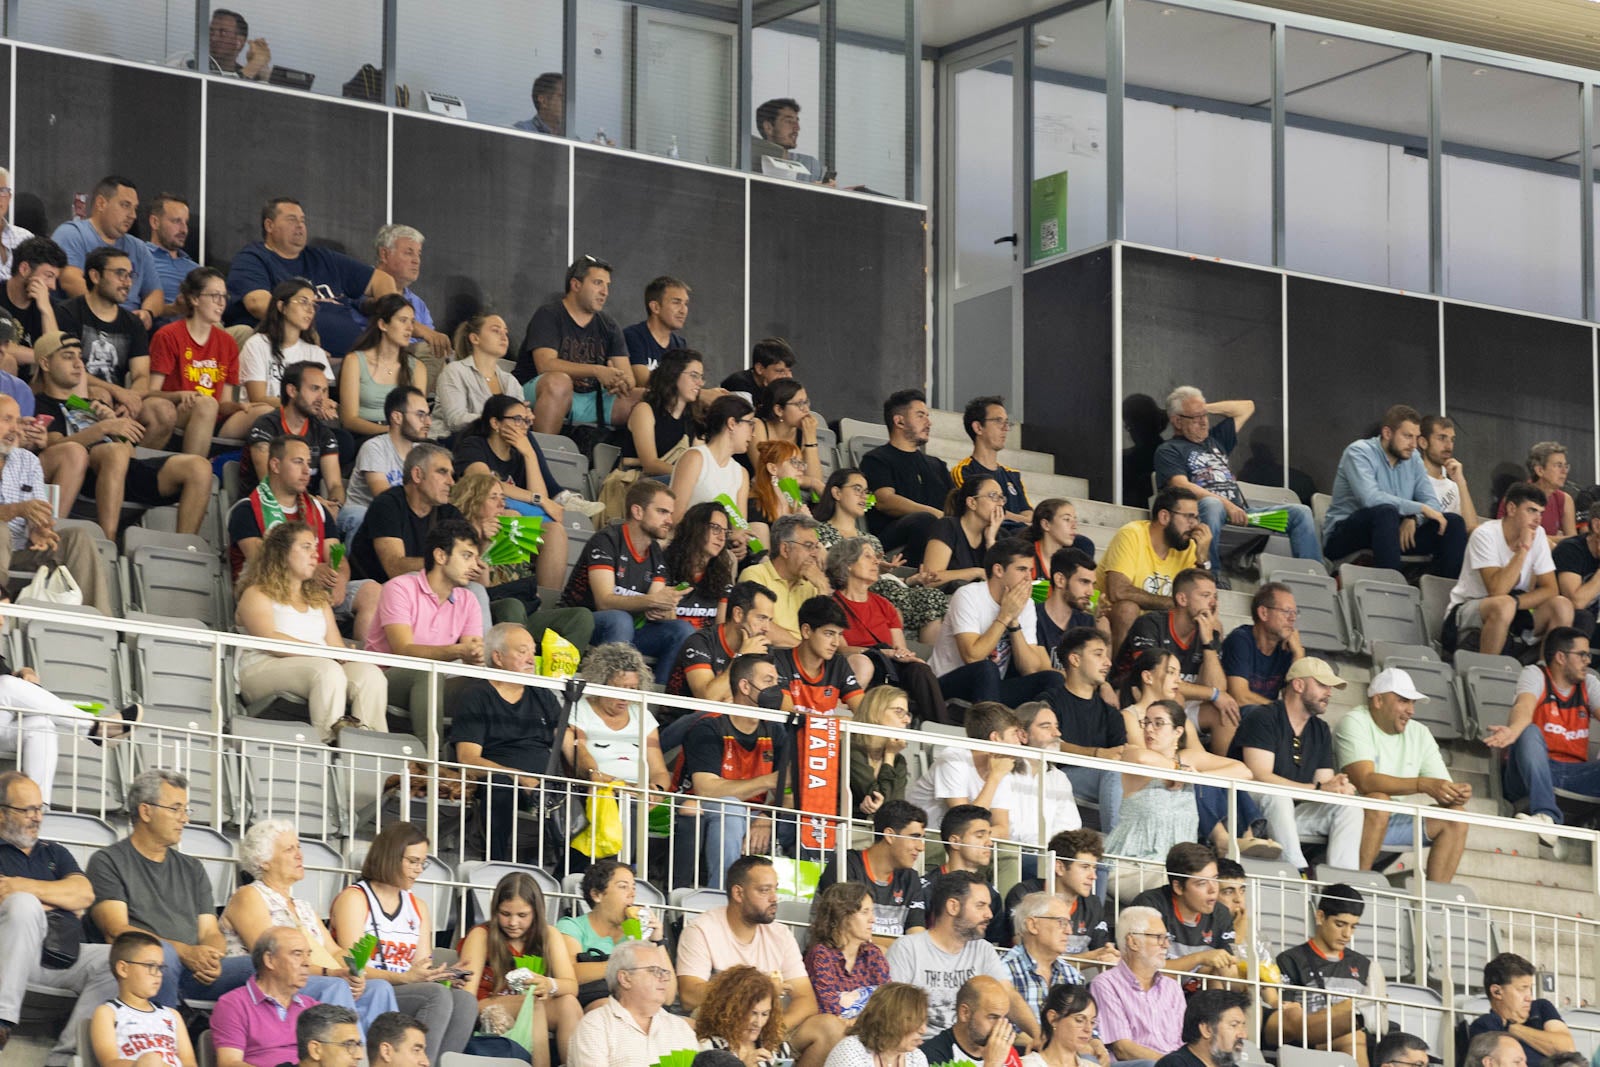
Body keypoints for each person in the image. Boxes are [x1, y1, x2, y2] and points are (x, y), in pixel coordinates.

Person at [87, 770, 255, 1005]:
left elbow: (209, 932)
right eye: (176, 809)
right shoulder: (107, 861)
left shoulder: (192, 868)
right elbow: (117, 931)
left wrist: (211, 958)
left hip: (195, 971)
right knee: (160, 954)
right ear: (146, 811)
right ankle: (162, 1034)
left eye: (186, 810)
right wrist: (184, 952)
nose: (184, 818)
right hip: (145, 968)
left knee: (265, 964)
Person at [32, 332, 213, 541]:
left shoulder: (86, 404)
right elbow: (53, 444)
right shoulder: (41, 402)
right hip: (86, 475)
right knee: (114, 453)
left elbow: (129, 452)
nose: (78, 364)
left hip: (122, 472)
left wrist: (113, 426)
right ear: (45, 363)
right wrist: (104, 428)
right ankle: (109, 539)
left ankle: (185, 547)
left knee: (199, 467)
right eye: (67, 356)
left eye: (80, 356)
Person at [220, 821, 398, 1028]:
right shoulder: (249, 895)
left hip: (321, 978)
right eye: (289, 849)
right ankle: (354, 1059)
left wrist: (353, 971)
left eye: (298, 847)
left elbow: (334, 952)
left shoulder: (303, 907)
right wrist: (332, 974)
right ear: (263, 861)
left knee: (379, 989)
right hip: (276, 983)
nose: (299, 855)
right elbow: (275, 960)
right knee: (336, 988)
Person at [677, 855, 847, 1067]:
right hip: (722, 1033)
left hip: (770, 1029)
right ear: (738, 893)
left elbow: (806, 998)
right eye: (765, 890)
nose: (774, 898)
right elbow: (689, 994)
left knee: (829, 1027)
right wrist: (754, 991)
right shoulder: (702, 929)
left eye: (775, 889)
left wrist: (769, 1029)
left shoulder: (781, 934)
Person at [328, 823, 476, 1060]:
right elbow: (352, 968)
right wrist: (404, 978)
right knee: (435, 996)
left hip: (405, 987)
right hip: (368, 991)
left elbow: (420, 967)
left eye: (422, 863)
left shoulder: (418, 907)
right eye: (413, 861)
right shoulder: (354, 898)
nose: (419, 870)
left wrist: (443, 975)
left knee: (465, 1001)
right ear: (390, 857)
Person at [0, 771, 120, 1059]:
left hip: (57, 955)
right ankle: (2, 1020)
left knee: (117, 960)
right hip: (6, 954)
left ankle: (67, 1059)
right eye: (27, 809)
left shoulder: (54, 853)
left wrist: (20, 886)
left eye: (40, 808)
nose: (37, 817)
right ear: (2, 814)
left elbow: (84, 894)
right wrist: (58, 900)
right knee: (24, 907)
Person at [235, 522, 387, 739]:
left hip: (317, 665)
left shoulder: (318, 599)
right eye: (306, 547)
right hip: (260, 668)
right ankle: (326, 744)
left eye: (315, 548)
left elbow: (335, 646)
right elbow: (270, 640)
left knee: (369, 674)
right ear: (282, 552)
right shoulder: (256, 593)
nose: (315, 555)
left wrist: (347, 655)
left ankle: (370, 749)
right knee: (327, 670)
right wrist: (325, 653)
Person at [1155, 386, 1321, 571]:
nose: (1203, 423)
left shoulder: (1216, 440)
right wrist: (1226, 505)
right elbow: (1181, 485)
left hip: (1244, 515)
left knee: (1300, 513)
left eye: (1205, 416)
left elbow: (1247, 407)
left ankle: (1313, 576)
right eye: (1195, 418)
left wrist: (1203, 408)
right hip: (1203, 515)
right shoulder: (1169, 450)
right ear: (1177, 421)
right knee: (1212, 504)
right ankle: (1211, 575)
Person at [1334, 667, 1472, 881]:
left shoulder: (1419, 732)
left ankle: (1434, 903)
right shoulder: (1354, 721)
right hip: (1351, 817)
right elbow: (1365, 781)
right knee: (1379, 801)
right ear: (1378, 701)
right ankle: (1357, 887)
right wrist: (1422, 784)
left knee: (1456, 817)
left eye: (1412, 703)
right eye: (1403, 701)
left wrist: (1455, 793)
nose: (1411, 710)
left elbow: (1440, 785)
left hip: (1391, 818)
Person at [1232, 657, 1361, 876]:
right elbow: (1259, 775)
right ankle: (1297, 871)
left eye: (1330, 687)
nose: (1329, 692)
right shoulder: (1263, 717)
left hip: (1289, 815)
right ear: (1298, 685)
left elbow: (1323, 783)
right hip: (1249, 813)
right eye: (1322, 685)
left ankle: (1342, 885)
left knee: (1349, 807)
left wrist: (1338, 788)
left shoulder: (1320, 729)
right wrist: (1319, 789)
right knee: (1277, 795)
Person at [226, 197, 398, 358]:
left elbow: (382, 280)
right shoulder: (253, 258)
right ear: (269, 226)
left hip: (356, 359)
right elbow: (257, 303)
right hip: (294, 359)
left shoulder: (323, 258)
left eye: (302, 220)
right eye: (292, 220)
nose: (300, 226)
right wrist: (303, 339)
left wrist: (390, 324)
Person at [445, 622, 561, 859]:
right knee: (501, 786)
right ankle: (495, 864)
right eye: (522, 651)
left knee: (594, 796)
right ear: (497, 657)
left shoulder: (544, 695)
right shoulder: (476, 696)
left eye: (532, 650)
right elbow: (468, 759)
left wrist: (593, 775)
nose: (532, 658)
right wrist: (519, 777)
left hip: (547, 783)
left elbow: (567, 744)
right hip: (501, 781)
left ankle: (569, 878)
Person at [560, 480, 693, 682]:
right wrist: (652, 602)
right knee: (619, 619)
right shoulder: (606, 540)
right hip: (585, 622)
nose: (669, 520)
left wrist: (664, 609)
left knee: (682, 630)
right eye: (662, 512)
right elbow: (604, 601)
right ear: (638, 512)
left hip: (628, 629)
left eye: (670, 514)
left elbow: (656, 601)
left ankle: (655, 704)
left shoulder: (655, 552)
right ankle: (609, 693)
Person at [1482, 627, 1600, 855]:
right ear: (1561, 657)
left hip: (1574, 774)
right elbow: (1524, 707)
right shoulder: (1535, 674)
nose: (1587, 661)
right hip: (1531, 771)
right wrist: (1513, 730)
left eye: (1588, 655)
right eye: (1582, 655)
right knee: (1529, 731)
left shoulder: (1589, 683)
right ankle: (1547, 816)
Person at [675, 656, 791, 888]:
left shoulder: (777, 730)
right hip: (702, 807)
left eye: (777, 682)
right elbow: (707, 788)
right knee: (731, 807)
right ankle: (724, 894)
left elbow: (789, 791)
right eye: (768, 681)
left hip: (755, 814)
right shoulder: (709, 727)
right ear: (745, 686)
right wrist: (769, 781)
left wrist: (767, 818)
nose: (775, 689)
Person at [886, 871, 1039, 1043]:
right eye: (980, 906)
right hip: (920, 1049)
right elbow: (892, 1013)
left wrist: (1038, 1036)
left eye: (988, 906)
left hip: (972, 1049)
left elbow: (1008, 995)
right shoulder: (907, 949)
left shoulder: (984, 950)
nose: (989, 914)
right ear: (953, 907)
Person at [366, 519, 486, 730]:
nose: (474, 566)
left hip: (436, 681)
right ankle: (430, 759)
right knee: (427, 671)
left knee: (489, 683)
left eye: (476, 558)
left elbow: (472, 657)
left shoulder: (469, 600)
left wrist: (477, 654)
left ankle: (477, 756)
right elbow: (404, 651)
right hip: (384, 680)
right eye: (467, 556)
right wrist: (459, 650)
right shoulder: (399, 588)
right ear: (440, 556)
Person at [0, 393, 114, 613]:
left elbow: (39, 512)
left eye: (17, 420)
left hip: (21, 552)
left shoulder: (28, 460)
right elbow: (19, 512)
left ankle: (100, 625)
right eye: (6, 420)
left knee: (77, 538)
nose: (15, 428)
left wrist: (39, 528)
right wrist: (17, 510)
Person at [53, 246, 175, 448]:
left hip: (117, 401)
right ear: (95, 275)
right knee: (101, 395)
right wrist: (118, 392)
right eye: (120, 274)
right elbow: (67, 370)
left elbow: (141, 376)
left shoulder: (133, 323)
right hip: (75, 397)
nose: (127, 282)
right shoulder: (68, 313)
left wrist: (131, 399)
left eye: (130, 275)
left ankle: (133, 469)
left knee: (164, 411)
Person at [1323, 404, 1467, 575]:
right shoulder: (1359, 452)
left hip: (1392, 534)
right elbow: (1370, 499)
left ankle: (1449, 596)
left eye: (1416, 437)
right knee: (1385, 512)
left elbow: (1432, 503)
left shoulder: (1413, 458)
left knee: (1454, 523)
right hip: (1345, 535)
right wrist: (1419, 508)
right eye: (1407, 436)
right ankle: (1392, 590)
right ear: (1387, 433)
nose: (1414, 444)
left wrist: (1414, 517)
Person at [455, 871, 580, 1066]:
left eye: (522, 915)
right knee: (533, 1004)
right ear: (495, 911)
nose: (513, 923)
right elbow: (467, 998)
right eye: (505, 914)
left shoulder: (549, 934)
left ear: (536, 913)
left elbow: (571, 986)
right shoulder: (481, 935)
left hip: (528, 1001)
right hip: (484, 1005)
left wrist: (549, 984)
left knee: (568, 1004)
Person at [1114, 567, 1241, 756]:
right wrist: (1214, 694)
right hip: (1135, 695)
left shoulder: (1207, 632)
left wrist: (1208, 643)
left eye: (1215, 596)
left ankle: (1218, 783)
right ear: (1182, 599)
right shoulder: (1150, 624)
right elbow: (1156, 680)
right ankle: (1175, 766)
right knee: (1176, 698)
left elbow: (1217, 687)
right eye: (1206, 595)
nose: (1213, 602)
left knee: (1227, 712)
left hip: (1180, 700)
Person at [1109, 700, 1254, 864]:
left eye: (1158, 723)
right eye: (1146, 722)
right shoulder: (1132, 752)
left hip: (1179, 866)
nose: (1149, 728)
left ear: (1177, 732)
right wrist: (1179, 771)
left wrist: (1198, 776)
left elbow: (1243, 771)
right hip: (1133, 862)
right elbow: (1142, 758)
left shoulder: (1188, 758)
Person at [149, 266, 274, 455]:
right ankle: (195, 466)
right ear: (194, 298)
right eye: (215, 296)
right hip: (178, 412)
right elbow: (151, 393)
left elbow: (223, 402)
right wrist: (180, 395)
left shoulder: (228, 343)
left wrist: (237, 406)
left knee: (265, 411)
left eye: (224, 297)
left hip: (215, 415)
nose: (221, 303)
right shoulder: (168, 335)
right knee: (206, 404)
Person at [816, 467, 947, 644]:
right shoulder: (819, 532)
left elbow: (877, 578)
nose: (863, 496)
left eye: (866, 492)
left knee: (933, 596)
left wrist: (909, 580)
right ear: (837, 492)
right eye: (857, 489)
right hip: (849, 592)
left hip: (879, 589)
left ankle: (928, 661)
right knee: (889, 602)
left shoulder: (871, 540)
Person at [826, 536, 948, 722]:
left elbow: (899, 649)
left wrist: (905, 655)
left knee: (919, 670)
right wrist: (882, 652)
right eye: (867, 556)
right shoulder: (832, 605)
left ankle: (942, 734)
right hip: (857, 666)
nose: (876, 561)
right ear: (848, 564)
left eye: (875, 556)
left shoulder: (884, 605)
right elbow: (840, 649)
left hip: (887, 667)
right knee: (866, 664)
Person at [929, 539, 1064, 706]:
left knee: (1052, 679)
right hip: (946, 682)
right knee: (987, 668)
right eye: (1021, 569)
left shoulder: (1026, 604)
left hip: (991, 687)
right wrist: (1004, 616)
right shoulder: (968, 595)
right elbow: (972, 657)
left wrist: (1014, 622)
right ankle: (989, 730)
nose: (1029, 578)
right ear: (999, 570)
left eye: (1031, 570)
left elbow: (1030, 669)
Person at [1446, 482, 1573, 658]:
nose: (1537, 519)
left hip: (1514, 607)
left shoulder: (1539, 534)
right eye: (1531, 510)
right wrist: (1523, 550)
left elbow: (1551, 589)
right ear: (1512, 508)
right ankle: (1488, 673)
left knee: (1562, 605)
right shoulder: (1484, 535)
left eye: (1540, 513)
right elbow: (1497, 591)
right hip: (1469, 610)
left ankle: (1544, 673)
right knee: (1503, 604)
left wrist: (1517, 603)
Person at [450, 394, 569, 582]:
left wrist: (530, 454)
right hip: (478, 522)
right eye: (517, 419)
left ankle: (547, 602)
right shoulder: (474, 445)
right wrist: (540, 500)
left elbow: (539, 508)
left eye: (526, 420)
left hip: (511, 525)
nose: (524, 425)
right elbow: (484, 483)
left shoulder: (519, 455)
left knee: (555, 532)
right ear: (495, 423)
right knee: (511, 512)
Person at [518, 255, 640, 434]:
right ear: (576, 285)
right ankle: (543, 457)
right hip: (540, 393)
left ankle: (640, 461)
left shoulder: (609, 325)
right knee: (559, 382)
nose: (605, 292)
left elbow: (629, 376)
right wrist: (597, 371)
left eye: (607, 285)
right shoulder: (549, 315)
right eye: (598, 283)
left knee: (645, 398)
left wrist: (620, 381)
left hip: (590, 400)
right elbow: (546, 365)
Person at [211, 927, 363, 1067]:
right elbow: (229, 1063)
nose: (307, 962)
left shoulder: (311, 1007)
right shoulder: (234, 1004)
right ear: (269, 960)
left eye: (308, 955)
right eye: (297, 954)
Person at [566, 644, 673, 844]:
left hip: (641, 795)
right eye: (619, 688)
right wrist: (624, 788)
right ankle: (625, 870)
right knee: (628, 806)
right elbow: (585, 766)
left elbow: (659, 770)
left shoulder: (642, 716)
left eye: (632, 689)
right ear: (601, 683)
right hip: (602, 793)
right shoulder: (578, 710)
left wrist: (655, 791)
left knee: (690, 813)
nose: (626, 697)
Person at [1267, 885, 1378, 1067]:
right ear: (1320, 917)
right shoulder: (1291, 960)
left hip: (1359, 1039)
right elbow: (1285, 1013)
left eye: (1353, 926)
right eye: (1340, 924)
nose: (1347, 934)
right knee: (1351, 1035)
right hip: (1307, 1040)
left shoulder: (1363, 965)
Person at [1099, 487, 1208, 650]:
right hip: (1109, 615)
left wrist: (1202, 559)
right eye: (1189, 517)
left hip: (1162, 622)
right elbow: (1118, 591)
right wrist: (1174, 603)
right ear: (1164, 516)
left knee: (1211, 624)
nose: (1195, 525)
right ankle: (1120, 674)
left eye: (1196, 518)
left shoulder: (1189, 547)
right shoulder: (1132, 534)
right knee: (1127, 609)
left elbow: (1203, 602)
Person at [1045, 626, 1127, 831]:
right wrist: (1098, 754)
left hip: (1098, 781)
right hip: (1054, 777)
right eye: (1098, 654)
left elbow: (1119, 754)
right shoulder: (1049, 700)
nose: (1108, 662)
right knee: (1113, 768)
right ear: (1075, 659)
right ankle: (1114, 850)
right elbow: (1048, 743)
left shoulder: (1111, 714)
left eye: (1107, 656)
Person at [998, 828, 1119, 966]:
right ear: (1059, 867)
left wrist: (1109, 958)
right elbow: (1030, 957)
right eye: (1085, 867)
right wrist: (1090, 958)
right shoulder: (1024, 894)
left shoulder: (1093, 904)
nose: (1093, 876)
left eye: (1094, 868)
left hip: (1068, 985)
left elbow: (1103, 955)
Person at [556, 860, 667, 1010]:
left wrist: (658, 941)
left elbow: (669, 995)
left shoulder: (636, 933)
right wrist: (629, 965)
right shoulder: (572, 927)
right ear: (597, 895)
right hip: (592, 1004)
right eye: (623, 887)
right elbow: (571, 974)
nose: (632, 894)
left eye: (633, 888)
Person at [51, 175, 162, 324]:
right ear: (101, 203)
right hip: (85, 323)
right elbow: (70, 281)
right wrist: (114, 316)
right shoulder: (72, 234)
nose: (133, 215)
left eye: (134, 208)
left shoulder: (139, 248)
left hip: (131, 327)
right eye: (125, 205)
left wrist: (147, 313)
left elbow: (155, 293)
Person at [567, 940, 697, 1066]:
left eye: (665, 972)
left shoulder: (680, 1028)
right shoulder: (595, 1026)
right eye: (654, 970)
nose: (664, 978)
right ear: (625, 978)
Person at [861, 389, 953, 566]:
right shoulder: (876, 459)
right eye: (920, 416)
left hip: (939, 532)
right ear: (899, 421)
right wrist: (933, 512)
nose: (929, 423)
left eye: (928, 416)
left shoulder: (937, 465)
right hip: (893, 537)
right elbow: (884, 500)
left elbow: (954, 503)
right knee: (925, 520)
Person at [349, 443, 464, 582]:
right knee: (415, 577)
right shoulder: (387, 505)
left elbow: (467, 566)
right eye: (442, 472)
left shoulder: (450, 513)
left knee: (475, 589)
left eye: (451, 475)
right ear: (417, 474)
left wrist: (483, 542)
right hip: (379, 589)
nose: (451, 482)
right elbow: (394, 568)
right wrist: (446, 562)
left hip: (430, 590)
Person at [905, 702, 1021, 839]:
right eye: (1014, 734)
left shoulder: (1001, 770)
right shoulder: (953, 759)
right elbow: (964, 823)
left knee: (1008, 851)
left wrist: (979, 836)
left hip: (962, 843)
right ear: (995, 737)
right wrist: (994, 778)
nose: (1019, 742)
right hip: (926, 839)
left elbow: (1002, 831)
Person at [816, 800, 928, 941]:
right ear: (890, 835)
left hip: (891, 961)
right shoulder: (845, 865)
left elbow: (916, 939)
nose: (921, 847)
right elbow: (846, 934)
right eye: (915, 838)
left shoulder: (910, 878)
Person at [1088, 905, 1186, 1063]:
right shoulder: (1106, 984)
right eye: (1158, 937)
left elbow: (1184, 1043)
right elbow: (1123, 1048)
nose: (1166, 945)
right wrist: (1171, 1064)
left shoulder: (1172, 987)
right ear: (1133, 942)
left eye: (1167, 938)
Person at [89, 931, 199, 1067]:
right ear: (123, 969)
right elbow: (110, 1062)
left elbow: (189, 1062)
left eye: (160, 967)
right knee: (151, 1060)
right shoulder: (108, 1012)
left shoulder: (172, 1015)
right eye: (150, 966)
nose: (158, 974)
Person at [1130, 843, 1237, 982]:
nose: (1213, 889)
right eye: (1202, 883)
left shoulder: (1220, 913)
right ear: (1179, 887)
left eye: (1215, 879)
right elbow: (1145, 971)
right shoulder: (1150, 905)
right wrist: (1200, 958)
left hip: (1195, 997)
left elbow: (1225, 974)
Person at [244, 363, 344, 510]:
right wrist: (315, 503)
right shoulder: (266, 426)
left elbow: (335, 484)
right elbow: (270, 481)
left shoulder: (324, 433)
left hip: (311, 510)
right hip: (268, 508)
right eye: (314, 389)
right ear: (292, 390)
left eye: (325, 391)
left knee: (354, 516)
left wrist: (335, 506)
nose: (321, 398)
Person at [343, 386, 429, 539]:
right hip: (366, 514)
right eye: (420, 415)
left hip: (402, 515)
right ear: (397, 417)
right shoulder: (374, 447)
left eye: (428, 415)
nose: (428, 422)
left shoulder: (422, 453)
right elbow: (384, 497)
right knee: (362, 516)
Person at [238, 278, 338, 410]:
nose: (310, 310)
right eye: (303, 302)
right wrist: (305, 403)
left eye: (313, 304)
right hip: (265, 417)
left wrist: (326, 405)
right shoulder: (257, 344)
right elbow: (258, 399)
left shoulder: (315, 352)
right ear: (281, 306)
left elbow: (321, 399)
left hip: (303, 419)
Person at [670, 579, 777, 701]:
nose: (767, 628)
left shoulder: (762, 648)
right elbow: (707, 698)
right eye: (761, 618)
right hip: (683, 717)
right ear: (738, 614)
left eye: (769, 620)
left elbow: (768, 700)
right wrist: (741, 657)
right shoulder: (701, 642)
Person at [340, 294, 427, 439]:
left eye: (412, 322)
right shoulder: (354, 361)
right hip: (365, 436)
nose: (410, 328)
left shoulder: (417, 367)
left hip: (404, 436)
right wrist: (388, 431)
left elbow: (418, 414)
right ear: (383, 325)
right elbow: (349, 420)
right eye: (402, 321)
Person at [804, 882, 894, 1018]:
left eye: (872, 912)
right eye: (865, 912)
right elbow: (830, 1010)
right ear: (843, 915)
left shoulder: (873, 954)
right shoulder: (822, 955)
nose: (873, 919)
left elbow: (889, 1002)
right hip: (832, 1032)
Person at [1471, 953, 1576, 1067]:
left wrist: (1513, 1027)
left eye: (1530, 988)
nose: (1529, 997)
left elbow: (1568, 1051)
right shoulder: (1486, 1025)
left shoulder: (1541, 1008)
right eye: (1522, 989)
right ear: (1497, 992)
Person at [741, 513, 829, 647]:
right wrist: (803, 651)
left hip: (805, 661)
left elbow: (825, 636)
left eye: (816, 547)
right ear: (785, 549)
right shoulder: (755, 575)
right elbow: (758, 625)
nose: (815, 554)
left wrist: (823, 588)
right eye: (808, 546)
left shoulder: (811, 585)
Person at [1002, 892, 1088, 1020]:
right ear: (1032, 925)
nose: (1069, 931)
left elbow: (1090, 1033)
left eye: (1070, 923)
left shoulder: (1073, 976)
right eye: (1061, 922)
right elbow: (1002, 1031)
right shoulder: (1002, 971)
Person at [432, 311, 520, 434]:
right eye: (496, 330)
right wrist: (498, 421)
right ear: (475, 338)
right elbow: (455, 420)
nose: (504, 336)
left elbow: (516, 421)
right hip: (455, 441)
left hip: (495, 441)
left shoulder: (511, 381)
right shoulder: (454, 371)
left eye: (506, 332)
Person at [370, 224, 449, 360]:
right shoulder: (360, 288)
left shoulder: (419, 305)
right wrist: (423, 332)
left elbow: (431, 344)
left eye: (418, 254)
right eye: (408, 253)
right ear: (385, 254)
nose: (416, 260)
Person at [671, 393, 754, 522]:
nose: (753, 434)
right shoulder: (695, 458)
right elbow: (675, 516)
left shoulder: (741, 474)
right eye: (750, 423)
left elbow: (740, 526)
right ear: (732, 423)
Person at [694, 964, 800, 1065]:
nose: (758, 1023)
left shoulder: (777, 1048)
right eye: (753, 1013)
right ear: (731, 1012)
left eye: (765, 1014)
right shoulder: (709, 1048)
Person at [952, 396, 1033, 527]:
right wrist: (1019, 519)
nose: (1005, 428)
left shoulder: (1012, 475)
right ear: (978, 427)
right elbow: (983, 510)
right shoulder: (964, 471)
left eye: (1007, 422)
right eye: (998, 421)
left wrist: (1015, 518)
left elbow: (1029, 514)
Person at [620, 347, 700, 477]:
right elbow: (650, 465)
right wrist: (690, 475)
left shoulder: (690, 419)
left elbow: (700, 457)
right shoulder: (644, 411)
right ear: (673, 374)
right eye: (694, 376)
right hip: (638, 485)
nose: (700, 383)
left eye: (701, 377)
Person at [1222, 582, 1305, 706]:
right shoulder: (1240, 640)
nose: (1292, 618)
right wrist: (1280, 713)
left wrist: (1298, 655)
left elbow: (1295, 702)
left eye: (1295, 612)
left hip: (1265, 716)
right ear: (1263, 613)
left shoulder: (1288, 648)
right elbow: (1239, 697)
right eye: (1287, 611)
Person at [918, 974, 1027, 1067]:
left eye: (1004, 1017)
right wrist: (992, 1063)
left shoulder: (1007, 1052)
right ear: (964, 1013)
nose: (1000, 1026)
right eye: (993, 1017)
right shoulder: (932, 1056)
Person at [920, 475, 1005, 594]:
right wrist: (977, 572)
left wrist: (990, 541)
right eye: (993, 496)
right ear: (972, 503)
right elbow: (929, 578)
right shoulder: (947, 526)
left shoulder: (997, 535)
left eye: (1002, 498)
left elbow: (1003, 581)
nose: (1000, 503)